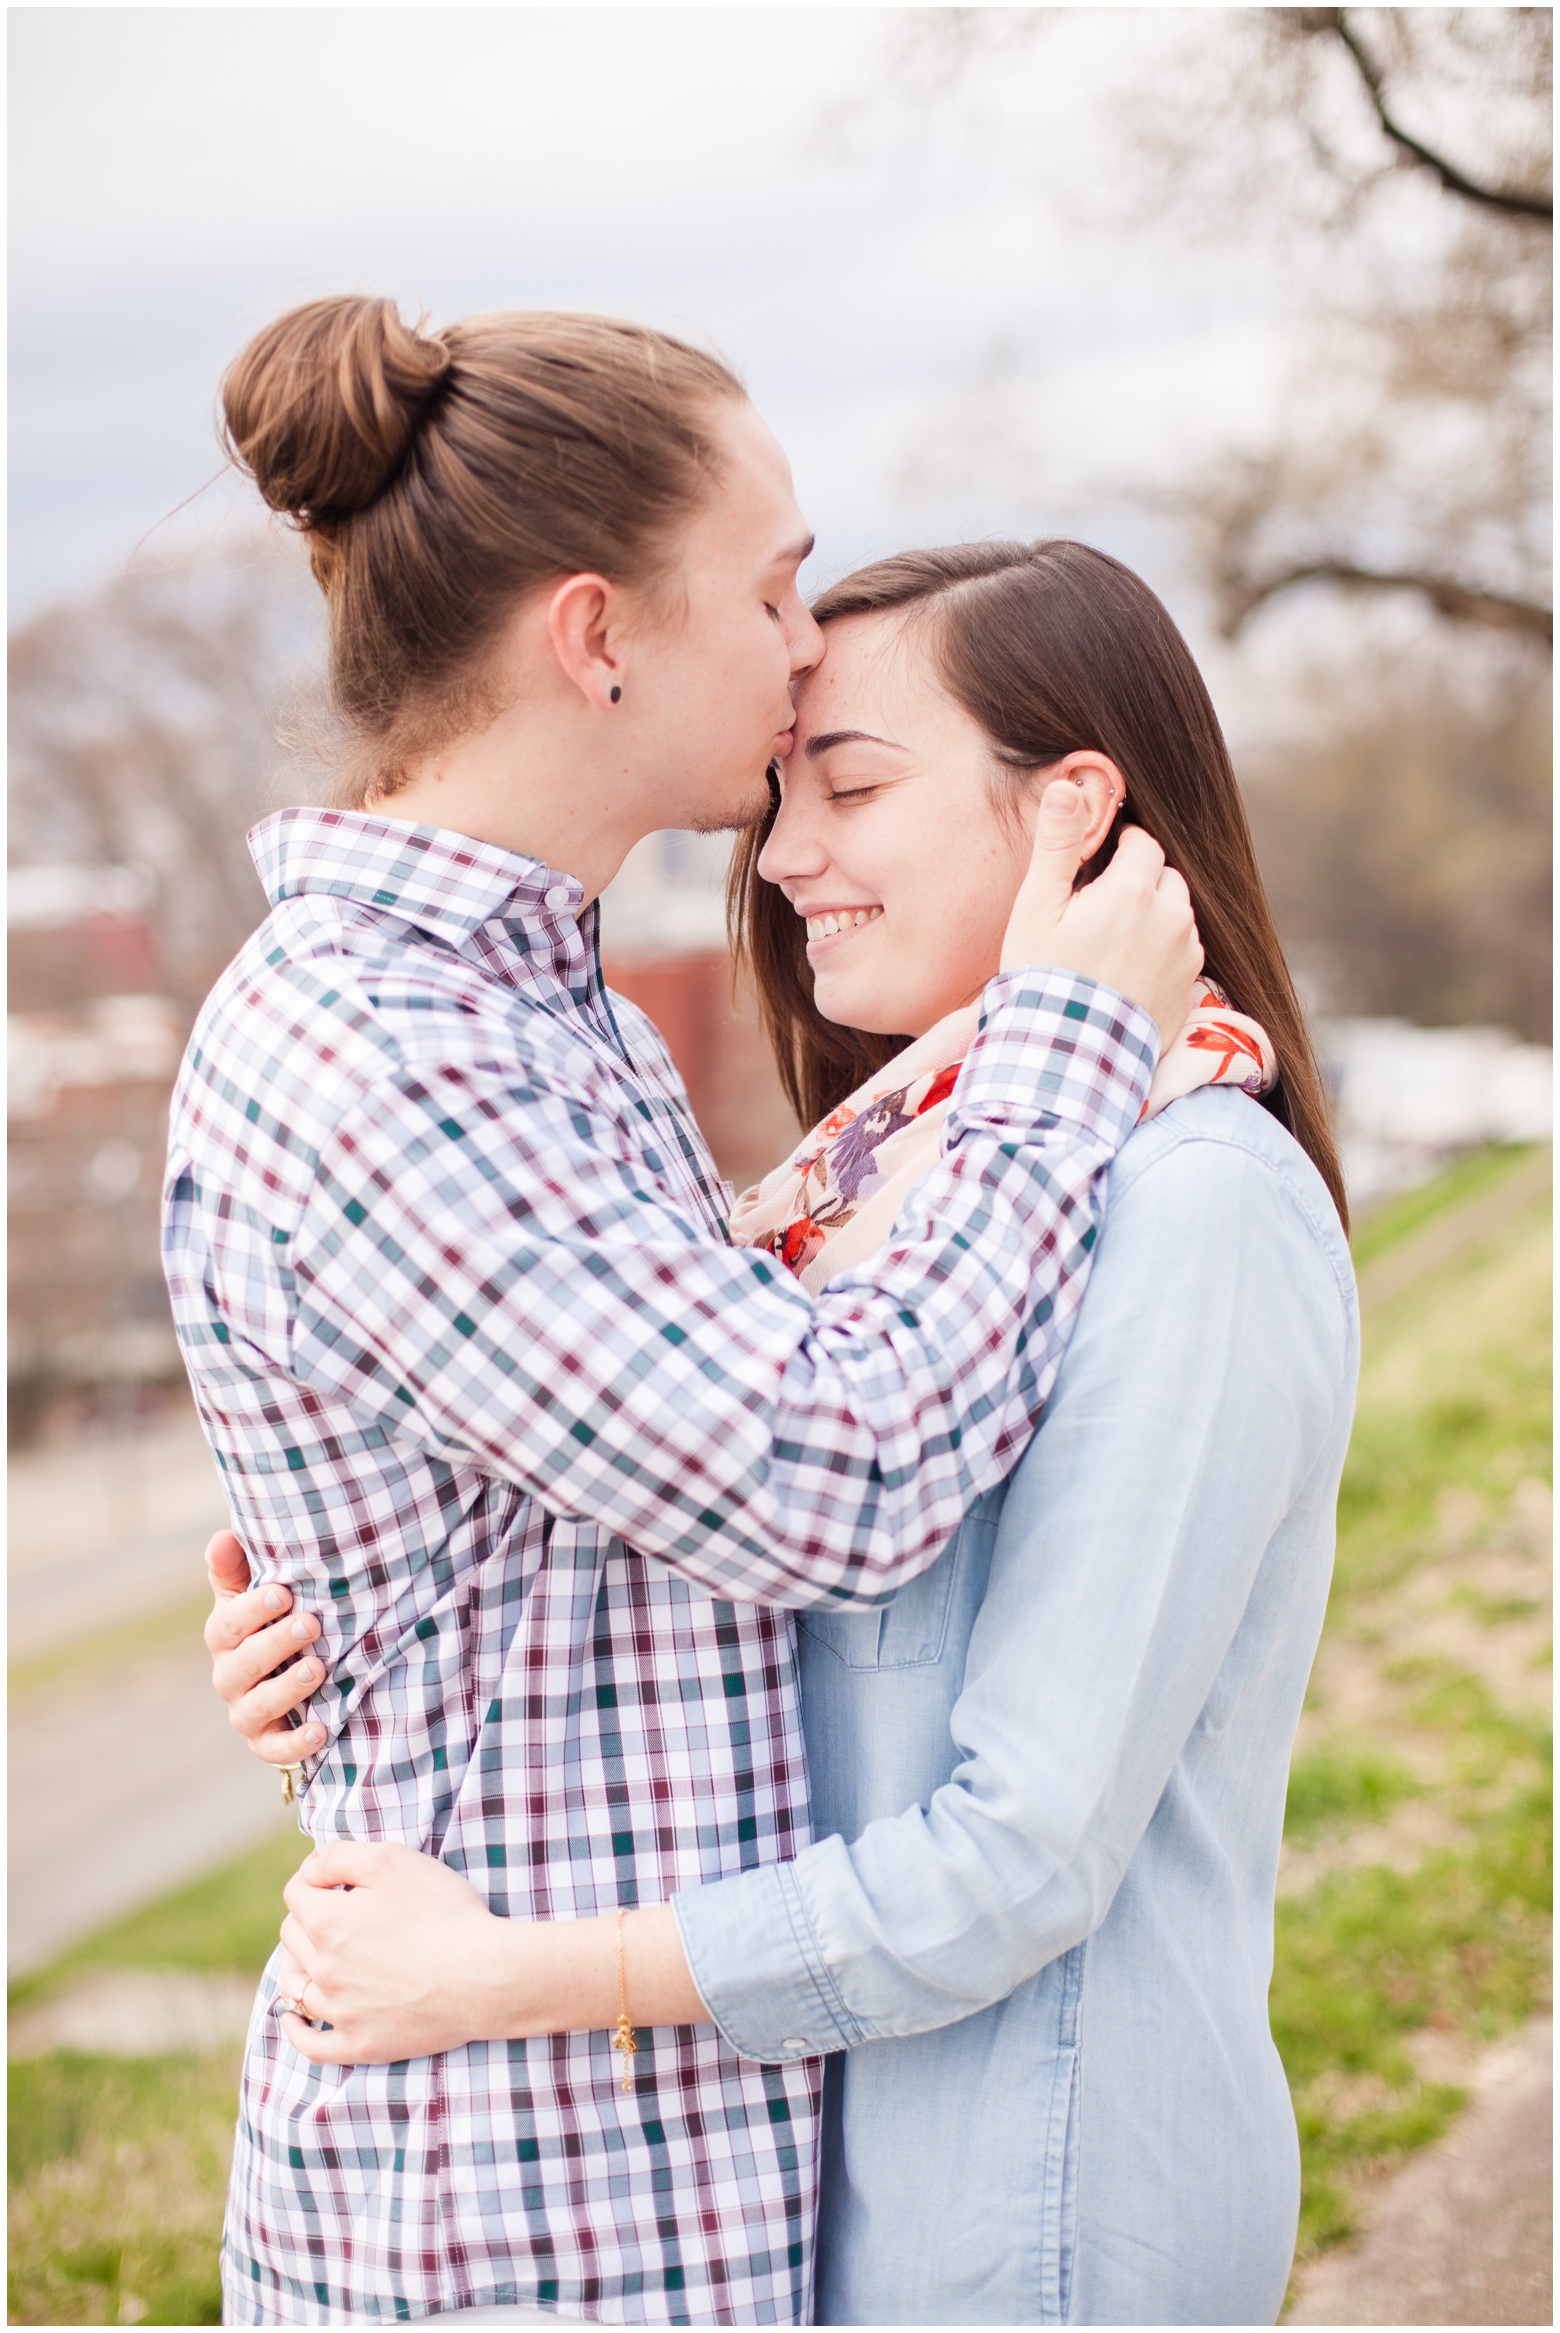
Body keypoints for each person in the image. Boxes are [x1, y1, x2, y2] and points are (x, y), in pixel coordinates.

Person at [164, 297, 1201, 2331]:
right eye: (776, 586)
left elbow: (668, 1452)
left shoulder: (543, 1020)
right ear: (597, 637)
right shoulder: (393, 1061)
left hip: (646, 2160)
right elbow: (838, 1470)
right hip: (516, 2213)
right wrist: (1072, 1044)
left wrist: (359, 1616)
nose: (811, 647)